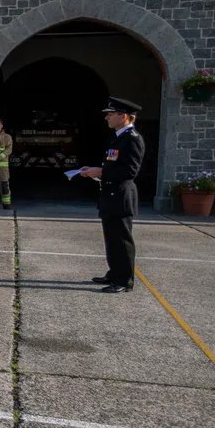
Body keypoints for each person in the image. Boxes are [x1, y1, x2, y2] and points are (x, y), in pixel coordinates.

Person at [80, 98, 146, 293]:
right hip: (110, 194)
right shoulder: (118, 137)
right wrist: (97, 170)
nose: (107, 117)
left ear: (123, 116)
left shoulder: (132, 138)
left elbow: (129, 172)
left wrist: (100, 172)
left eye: (111, 113)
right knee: (111, 237)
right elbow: (112, 165)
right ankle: (114, 272)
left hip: (121, 196)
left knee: (122, 239)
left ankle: (124, 280)